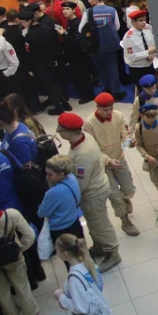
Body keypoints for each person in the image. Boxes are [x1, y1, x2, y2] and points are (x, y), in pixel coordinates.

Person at [57, 113, 124, 270]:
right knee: (94, 224)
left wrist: (71, 198)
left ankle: (113, 253)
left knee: (100, 224)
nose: (58, 132)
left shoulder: (82, 154)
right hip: (97, 185)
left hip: (93, 193)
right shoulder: (85, 137)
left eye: (60, 130)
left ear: (69, 132)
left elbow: (81, 183)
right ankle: (100, 246)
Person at [84, 93, 138, 233]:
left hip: (119, 158)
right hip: (103, 165)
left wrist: (129, 143)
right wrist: (107, 160)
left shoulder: (118, 115)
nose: (109, 112)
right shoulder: (89, 124)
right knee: (114, 195)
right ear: (97, 107)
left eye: (111, 108)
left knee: (129, 189)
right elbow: (92, 149)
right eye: (105, 110)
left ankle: (125, 199)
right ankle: (125, 221)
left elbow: (124, 136)